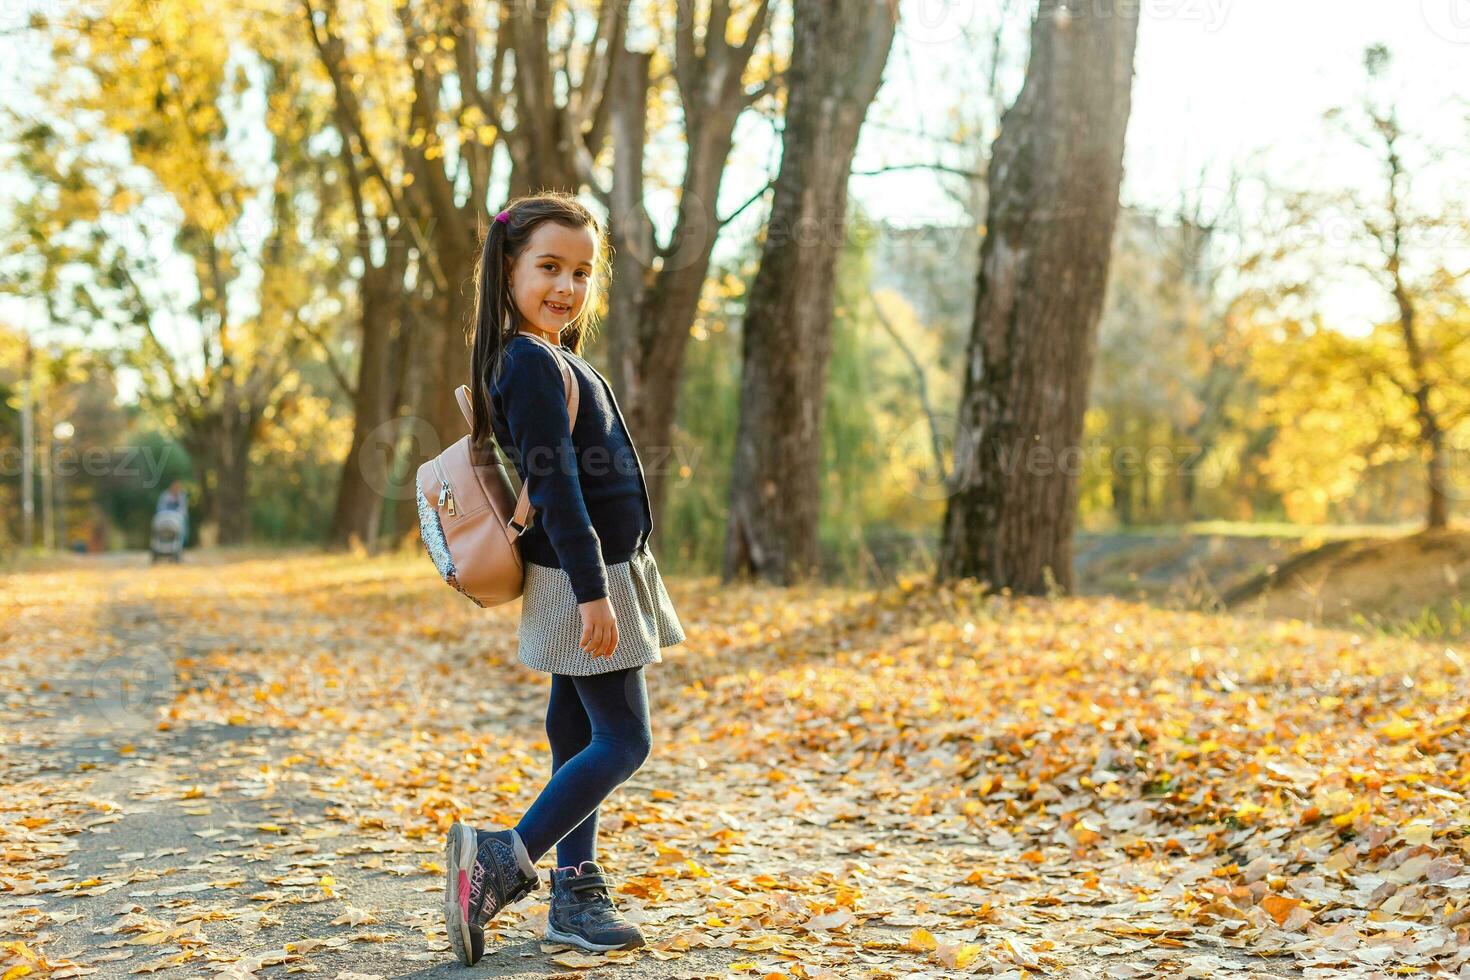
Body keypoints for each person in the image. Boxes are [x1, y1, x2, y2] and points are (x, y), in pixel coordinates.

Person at [442, 193, 687, 966]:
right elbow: (556, 486)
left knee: (576, 730)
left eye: (582, 272)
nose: (566, 286)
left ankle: (576, 892)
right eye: (548, 267)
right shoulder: (527, 362)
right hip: (587, 572)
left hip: (599, 567)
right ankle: (501, 861)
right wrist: (593, 591)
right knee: (625, 739)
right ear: (508, 269)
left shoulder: (552, 356)